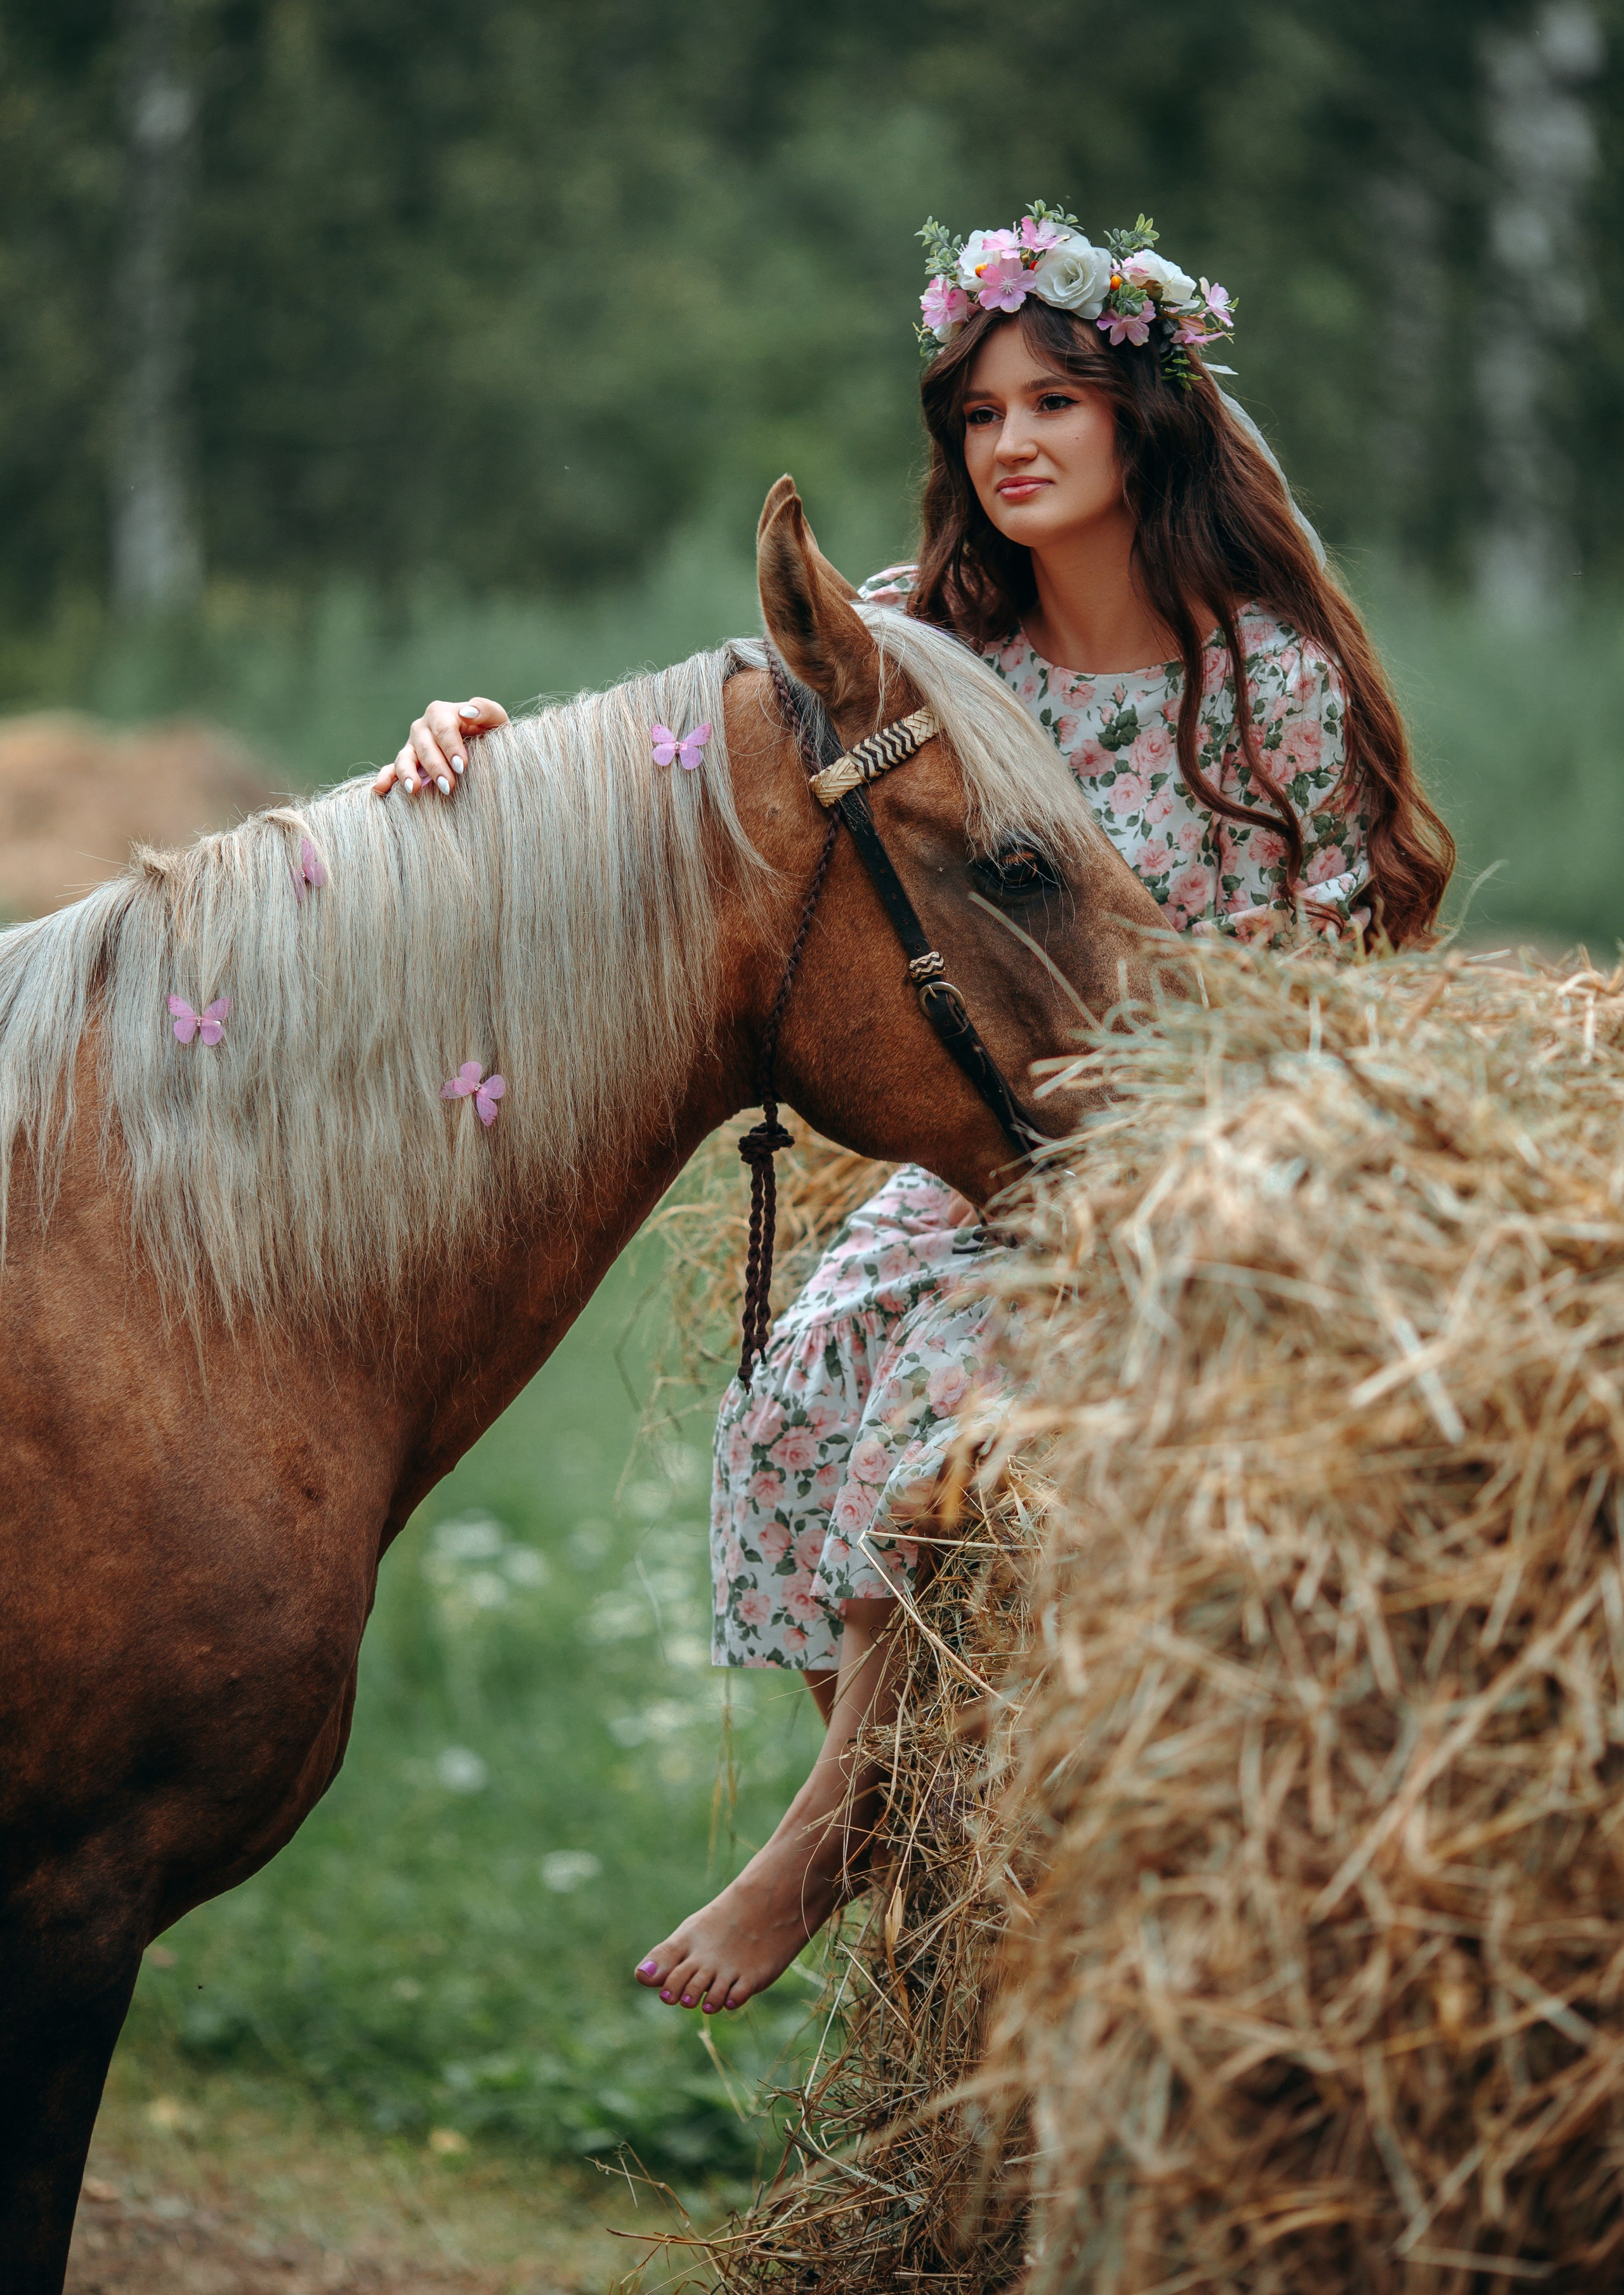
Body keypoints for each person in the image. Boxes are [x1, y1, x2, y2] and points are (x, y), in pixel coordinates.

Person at [377, 207, 1455, 2020]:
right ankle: (927, 1831)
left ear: (1149, 419)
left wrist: (1186, 1106)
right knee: (797, 1402)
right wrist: (480, 745)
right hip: (990, 1155)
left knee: (950, 1419)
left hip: (1197, 1156)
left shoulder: (1259, 676)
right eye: (976, 415)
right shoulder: (928, 648)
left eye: (1055, 402)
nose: (1011, 443)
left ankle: (819, 1847)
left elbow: (1327, 954)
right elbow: (692, 745)